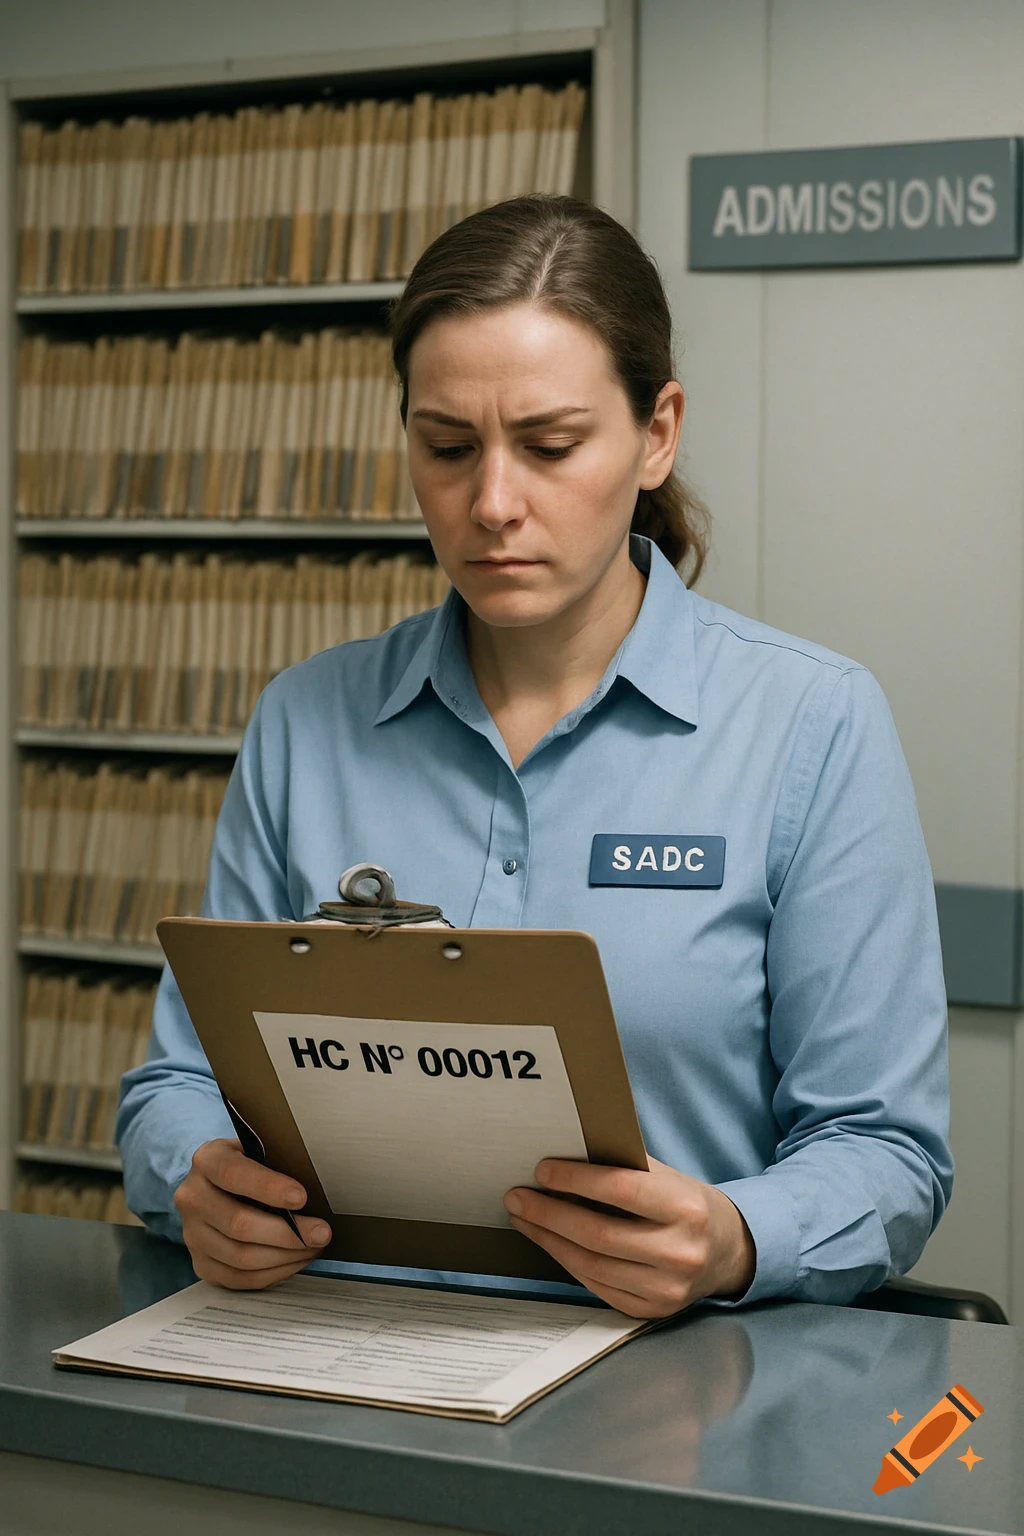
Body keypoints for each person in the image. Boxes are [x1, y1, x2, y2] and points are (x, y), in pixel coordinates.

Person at [117, 195, 952, 1317]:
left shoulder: (812, 723)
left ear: (658, 433)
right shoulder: (305, 720)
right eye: (447, 447)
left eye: (551, 446)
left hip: (670, 1389)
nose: (492, 503)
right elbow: (176, 1086)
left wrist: (734, 1240)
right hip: (332, 1361)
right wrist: (194, 1181)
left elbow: (887, 1153)